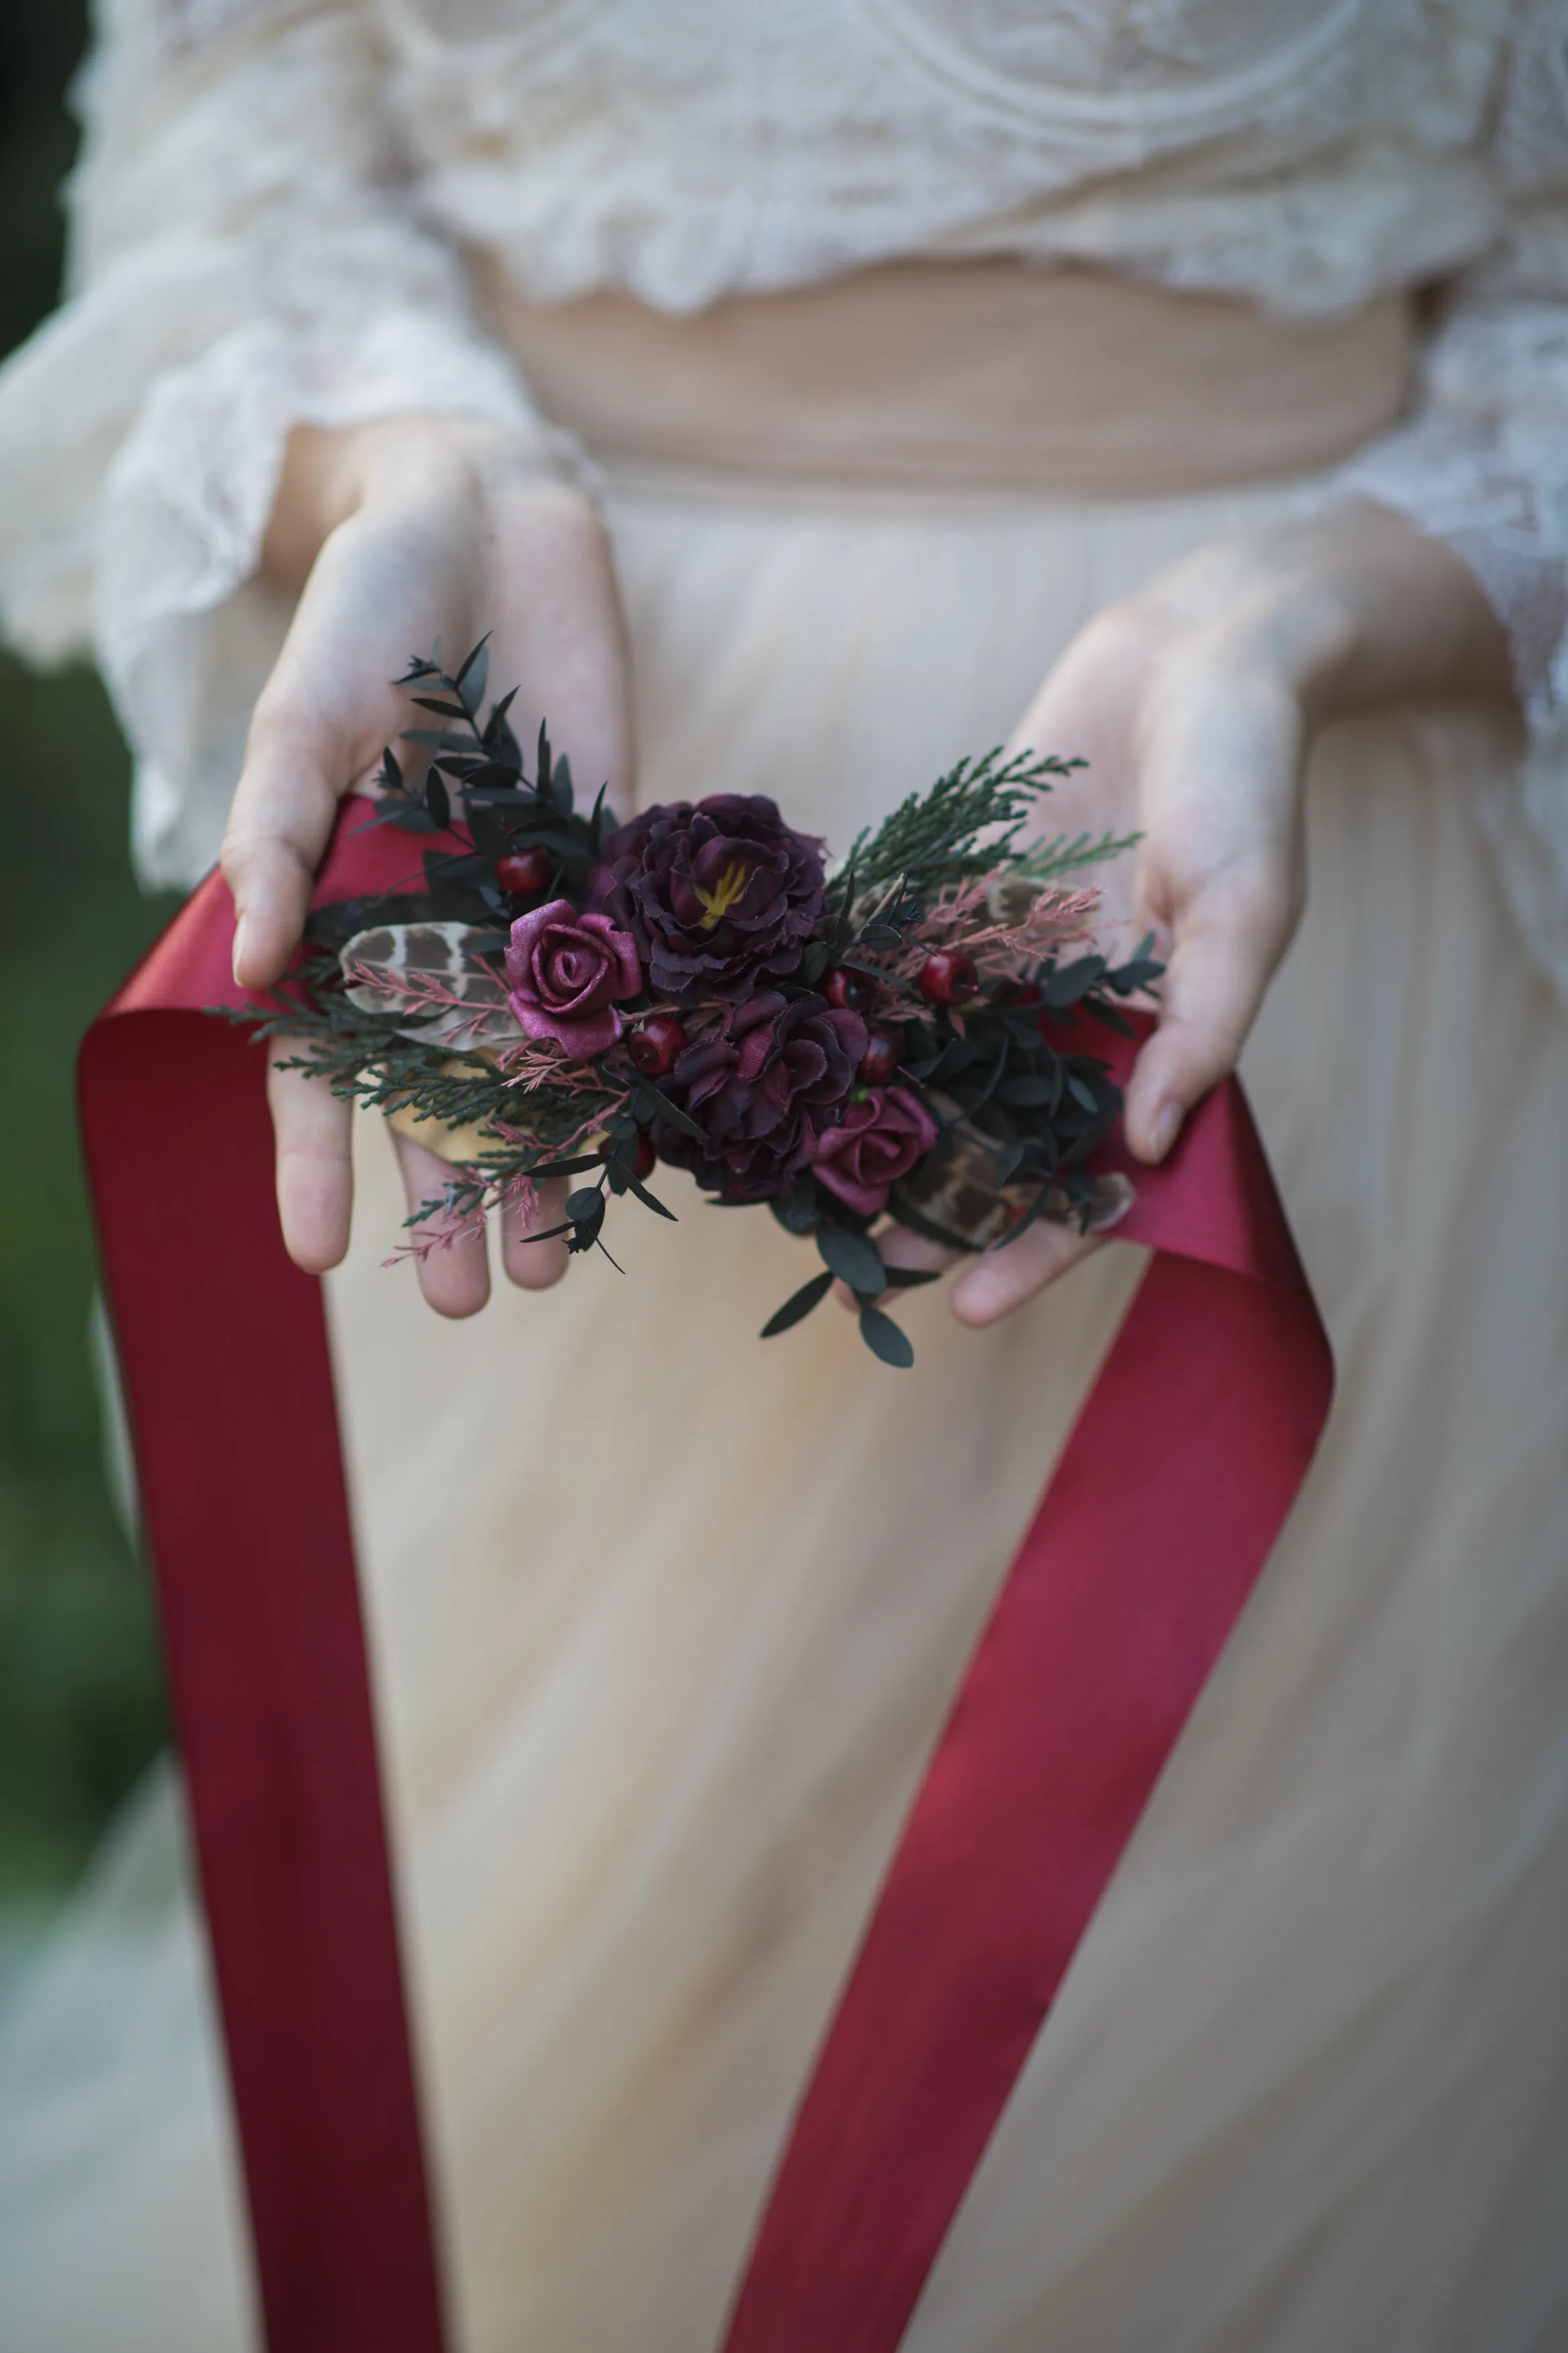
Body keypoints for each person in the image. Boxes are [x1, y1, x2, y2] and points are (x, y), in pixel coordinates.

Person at [1, 4, 1567, 2347]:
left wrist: (1296, 610)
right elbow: (234, 174)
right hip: (542, 843)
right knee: (565, 2071)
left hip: (1258, 894)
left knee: (1225, 2071)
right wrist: (407, 456)